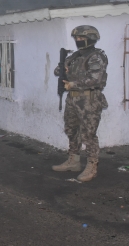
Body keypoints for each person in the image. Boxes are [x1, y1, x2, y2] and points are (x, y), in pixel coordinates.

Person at [52, 25, 108, 182]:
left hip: (89, 100)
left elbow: (95, 78)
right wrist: (64, 67)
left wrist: (73, 84)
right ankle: (73, 161)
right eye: (76, 38)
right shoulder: (75, 56)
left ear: (90, 39)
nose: (78, 41)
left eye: (81, 38)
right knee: (71, 129)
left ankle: (92, 166)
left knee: (88, 134)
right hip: (73, 99)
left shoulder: (96, 57)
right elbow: (57, 71)